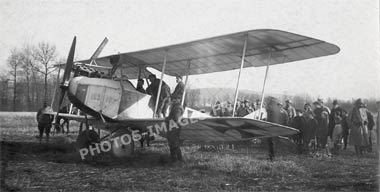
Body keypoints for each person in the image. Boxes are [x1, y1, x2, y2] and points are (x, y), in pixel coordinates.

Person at [266, 97, 281, 161]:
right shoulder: (277, 109)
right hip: (275, 126)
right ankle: (272, 156)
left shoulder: (271, 108)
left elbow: (268, 111)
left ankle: (272, 157)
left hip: (271, 127)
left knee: (271, 142)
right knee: (273, 142)